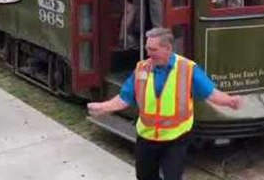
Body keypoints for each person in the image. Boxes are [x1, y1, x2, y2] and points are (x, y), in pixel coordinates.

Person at [88, 27, 242, 180]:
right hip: (146, 137)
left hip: (175, 139)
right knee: (145, 176)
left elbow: (211, 93)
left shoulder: (187, 69)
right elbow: (125, 97)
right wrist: (104, 107)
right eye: (147, 49)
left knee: (172, 177)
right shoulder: (142, 69)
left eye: (153, 50)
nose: (148, 54)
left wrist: (229, 101)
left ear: (167, 48)